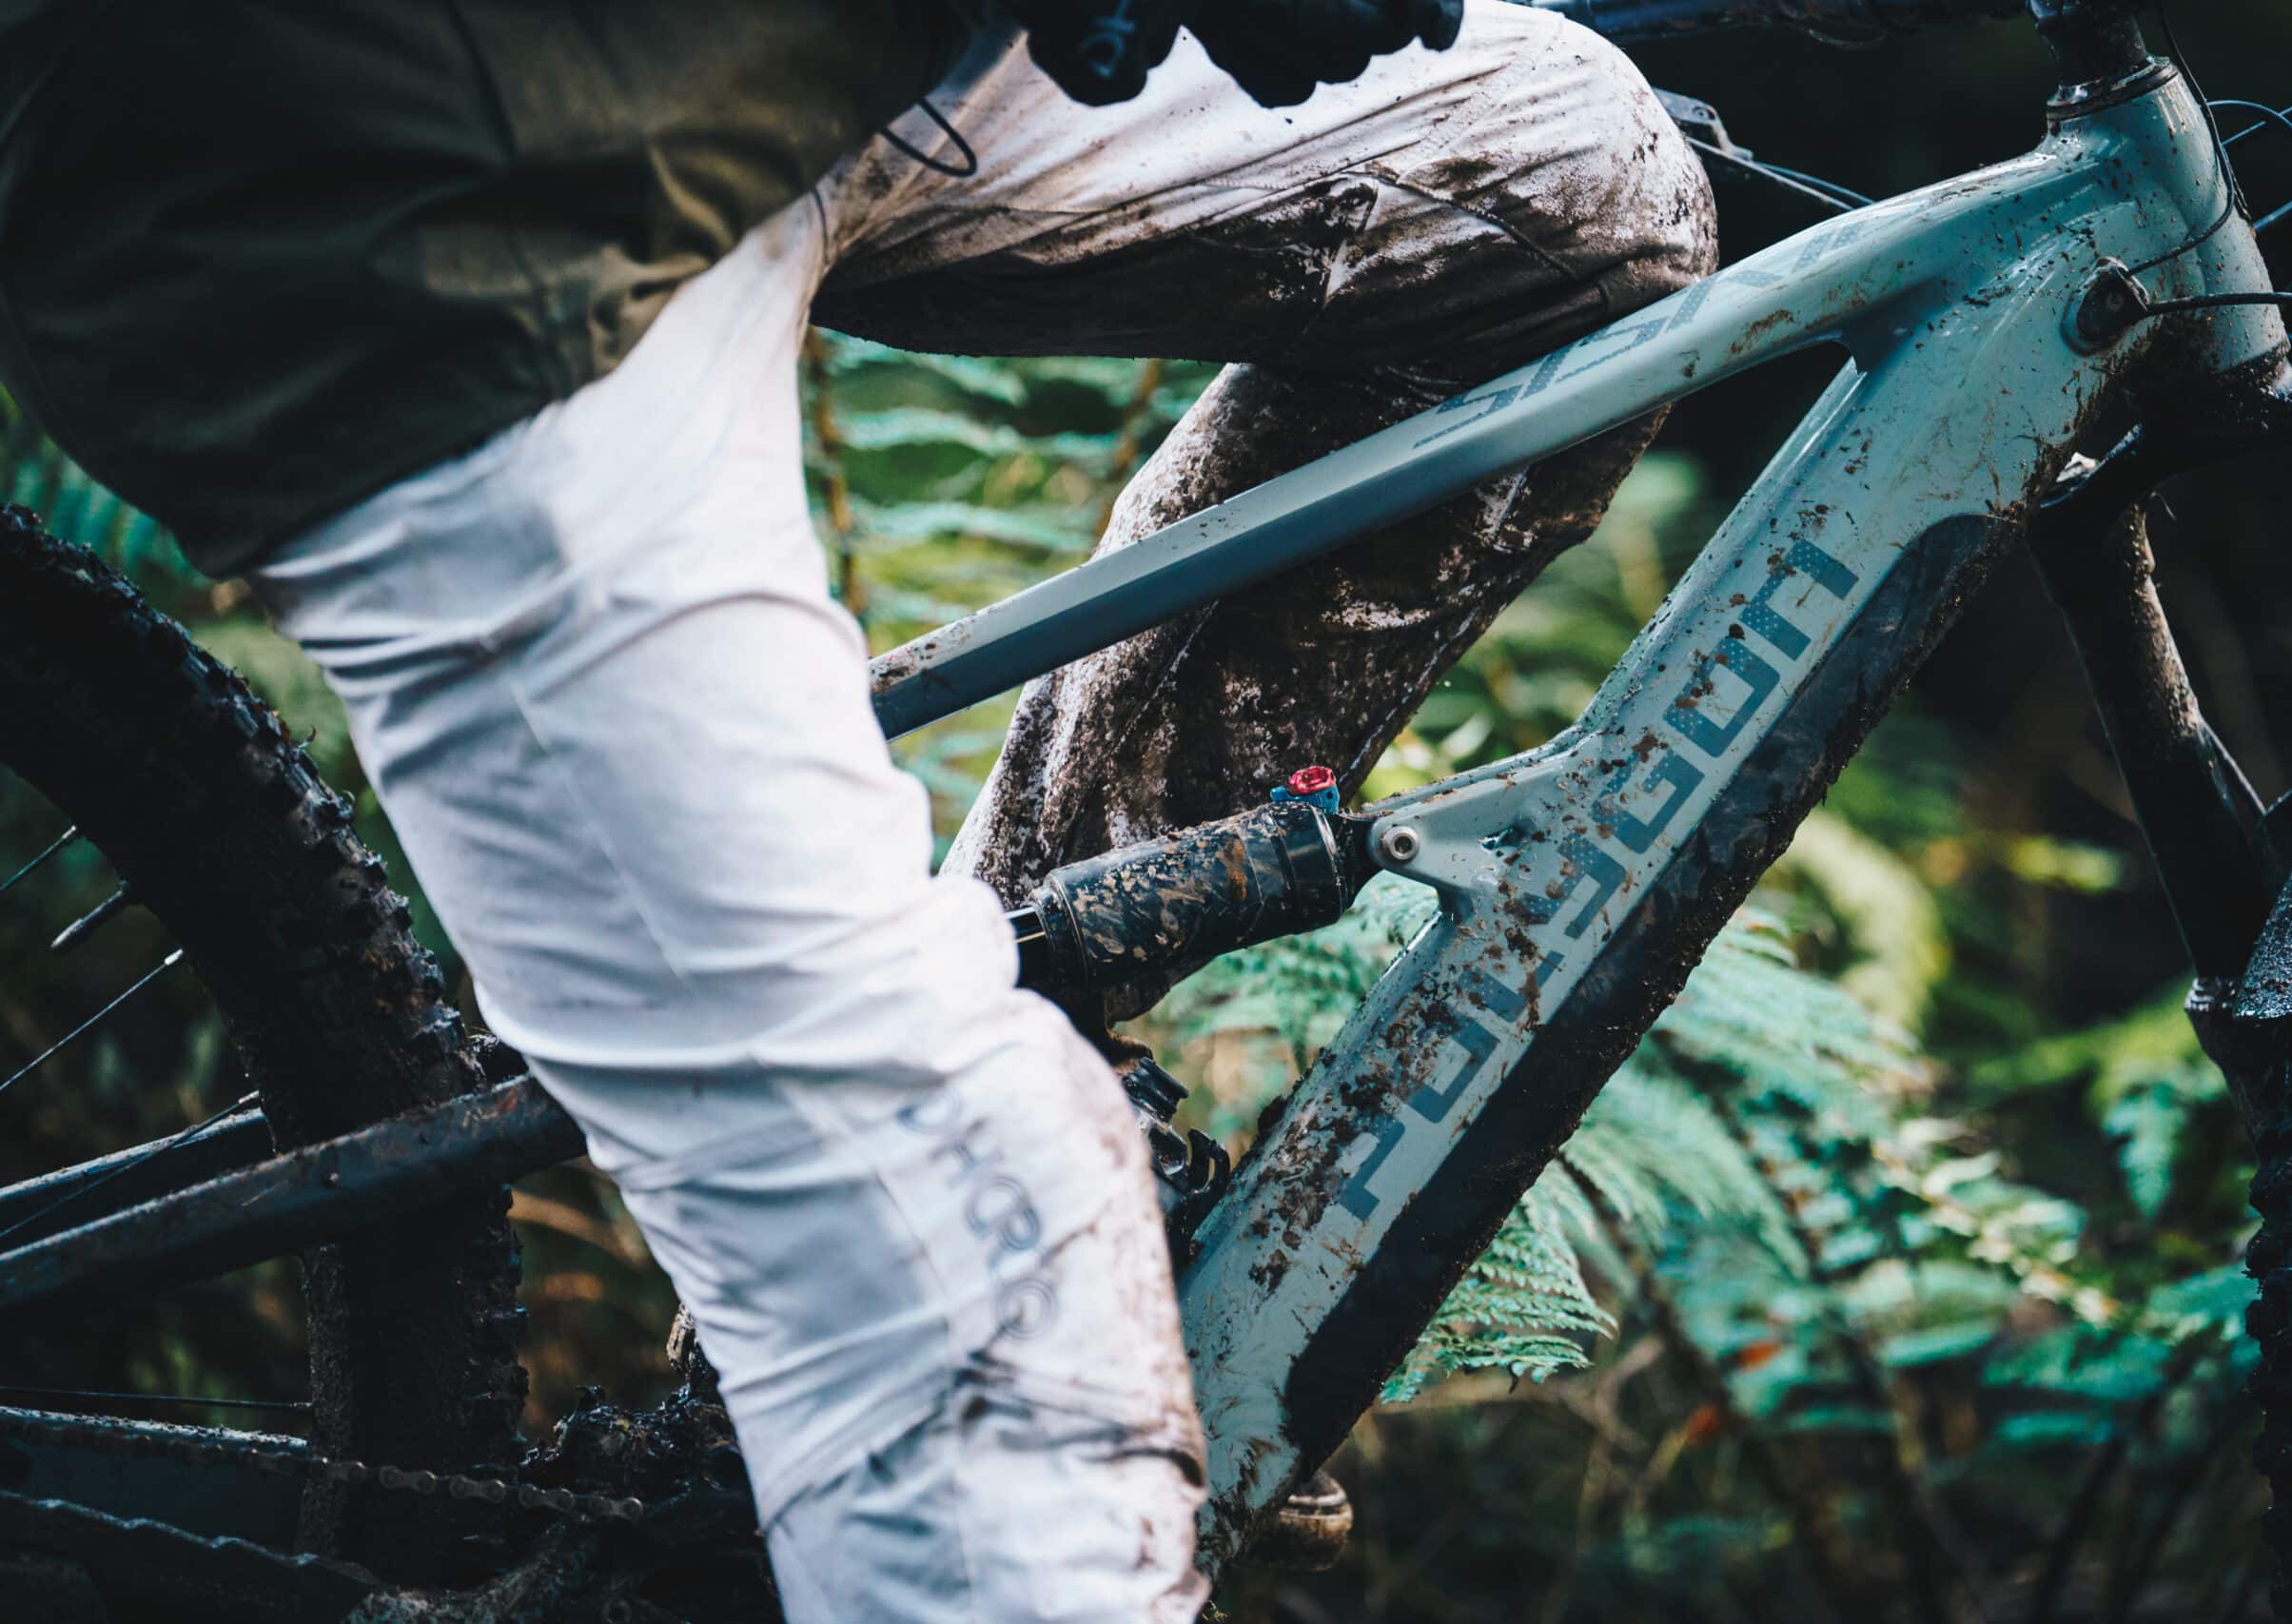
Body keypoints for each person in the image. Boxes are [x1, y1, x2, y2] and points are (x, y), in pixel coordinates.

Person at [0, 1, 1714, 1617]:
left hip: (813, 67)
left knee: (1576, 202)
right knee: (976, 1319)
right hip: (436, 186)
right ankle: (903, 1264)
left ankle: (1028, 1003)